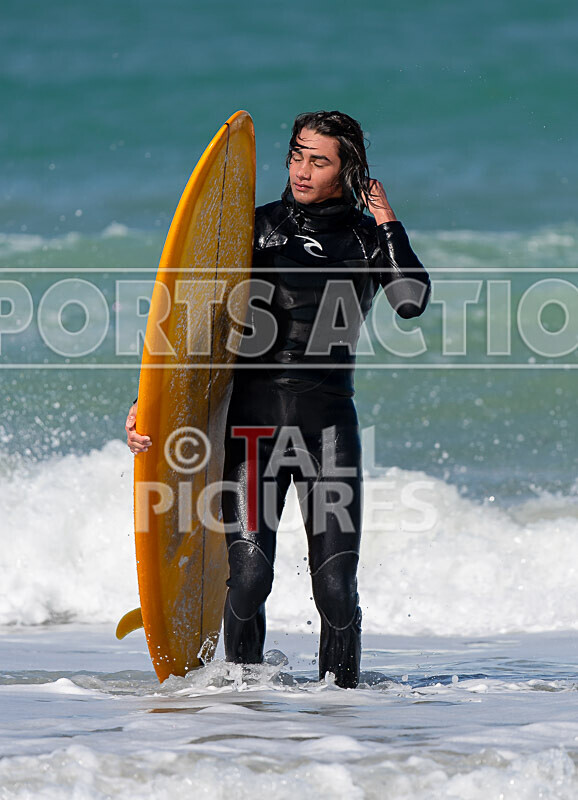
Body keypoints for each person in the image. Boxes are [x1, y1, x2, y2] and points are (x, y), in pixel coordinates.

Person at [126, 110, 430, 688]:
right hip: (253, 430)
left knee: (336, 588)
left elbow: (410, 299)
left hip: (329, 431)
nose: (301, 169)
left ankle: (344, 714)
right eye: (296, 155)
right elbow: (195, 324)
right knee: (247, 576)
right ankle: (243, 709)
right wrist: (153, 403)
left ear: (349, 171)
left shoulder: (368, 239)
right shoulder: (256, 229)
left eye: (319, 160)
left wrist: (386, 217)